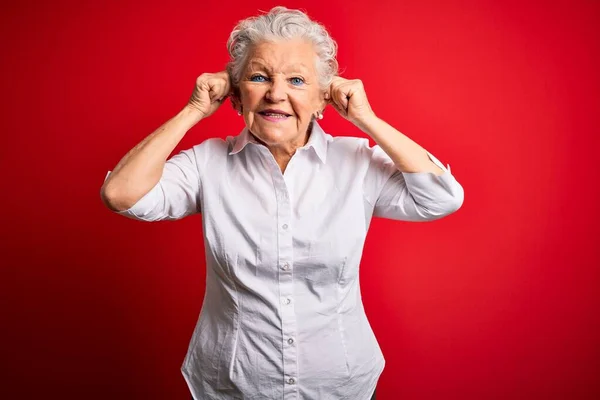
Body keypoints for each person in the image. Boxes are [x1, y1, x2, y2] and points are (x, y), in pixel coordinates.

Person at [100, 6, 464, 400]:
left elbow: (441, 198)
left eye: (296, 79)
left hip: (341, 386)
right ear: (237, 98)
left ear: (323, 98)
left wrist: (366, 119)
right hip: (232, 386)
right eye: (259, 77)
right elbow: (121, 194)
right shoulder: (207, 163)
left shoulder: (357, 162)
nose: (276, 94)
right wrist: (194, 111)